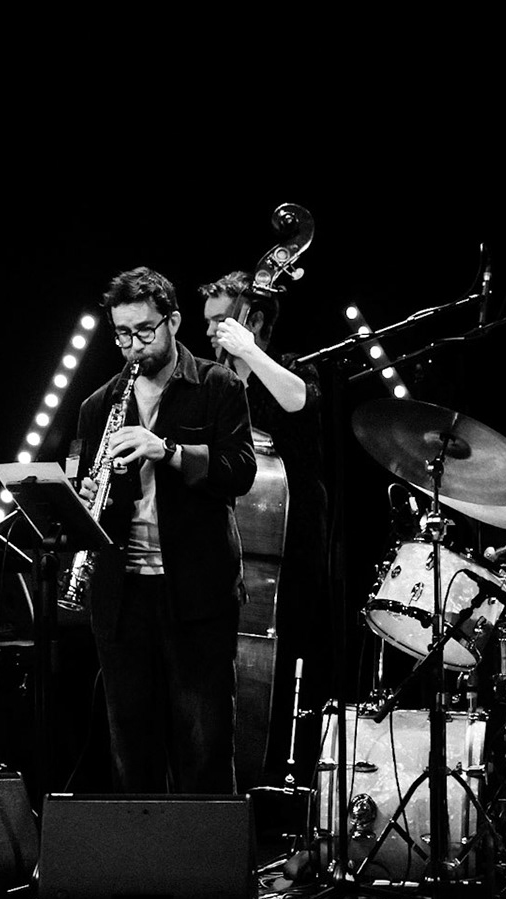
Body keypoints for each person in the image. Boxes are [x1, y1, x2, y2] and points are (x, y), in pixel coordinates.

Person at [73, 267, 256, 793]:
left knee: (203, 744)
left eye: (145, 331)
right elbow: (90, 488)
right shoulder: (98, 404)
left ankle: (207, 871)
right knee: (131, 748)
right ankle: (143, 870)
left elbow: (240, 472)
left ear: (174, 321)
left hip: (196, 591)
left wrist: (169, 451)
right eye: (122, 334)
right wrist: (88, 500)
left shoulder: (218, 385)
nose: (133, 345)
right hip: (123, 593)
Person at [201, 270, 333, 790]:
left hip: (291, 542)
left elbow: (298, 399)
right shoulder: (214, 383)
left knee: (296, 661)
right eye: (208, 321)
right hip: (235, 548)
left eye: (221, 320)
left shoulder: (292, 369)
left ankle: (291, 788)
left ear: (252, 318)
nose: (211, 331)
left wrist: (250, 352)